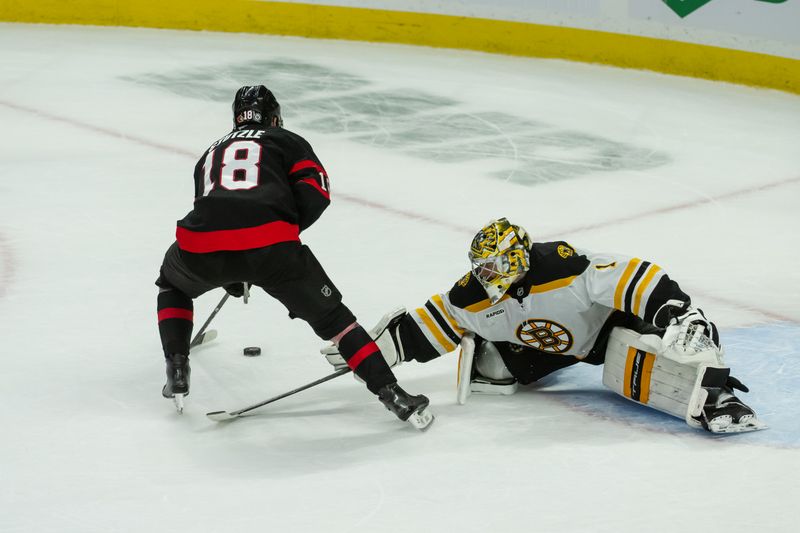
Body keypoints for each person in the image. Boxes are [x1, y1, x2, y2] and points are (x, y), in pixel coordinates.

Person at [155, 85, 433, 429]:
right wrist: (281, 233)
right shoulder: (286, 139)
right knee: (339, 325)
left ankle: (177, 367)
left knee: (172, 286)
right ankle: (395, 396)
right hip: (273, 250)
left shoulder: (212, 149)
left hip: (200, 246)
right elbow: (316, 193)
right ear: (274, 116)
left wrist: (232, 271)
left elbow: (217, 209)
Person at [323, 217, 764, 434]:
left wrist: (678, 312)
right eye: (481, 267)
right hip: (546, 350)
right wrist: (376, 351)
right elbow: (437, 319)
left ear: (516, 258)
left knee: (634, 359)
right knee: (500, 370)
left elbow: (633, 277)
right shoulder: (475, 293)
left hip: (602, 329)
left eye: (493, 266)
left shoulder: (564, 267)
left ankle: (714, 400)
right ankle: (490, 356)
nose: (484, 276)